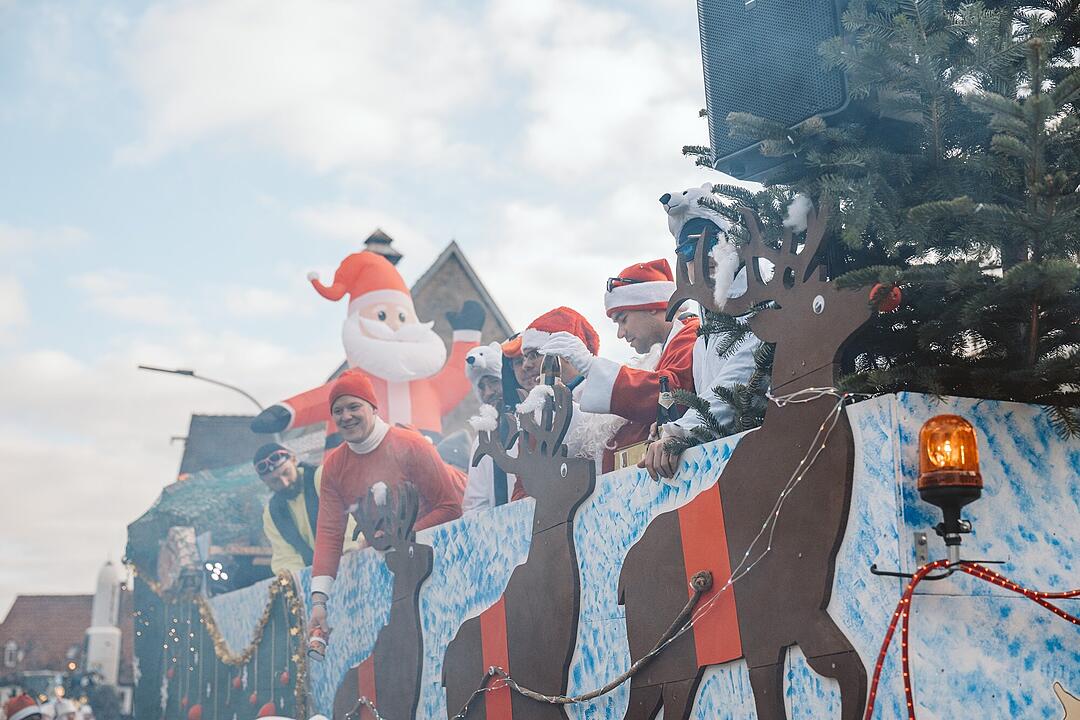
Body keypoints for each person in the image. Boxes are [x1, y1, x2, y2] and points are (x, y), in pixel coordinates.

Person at [308, 369, 464, 638]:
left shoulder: (411, 445)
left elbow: (450, 508)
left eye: (354, 406)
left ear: (373, 407)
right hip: (396, 566)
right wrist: (319, 601)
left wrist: (399, 539)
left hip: (442, 552)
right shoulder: (333, 467)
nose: (346, 416)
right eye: (338, 410)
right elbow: (329, 534)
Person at [638, 189, 762, 480]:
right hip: (731, 470)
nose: (703, 255)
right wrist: (670, 428)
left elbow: (736, 385)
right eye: (688, 251)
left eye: (714, 241)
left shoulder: (761, 304)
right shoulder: (704, 336)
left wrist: (680, 432)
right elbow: (710, 398)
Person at [538, 259, 699, 472]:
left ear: (651, 306)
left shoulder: (690, 333)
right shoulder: (665, 348)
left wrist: (591, 367)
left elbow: (672, 394)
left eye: (623, 320)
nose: (621, 333)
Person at [254, 443, 357, 574]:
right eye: (275, 481)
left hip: (356, 556)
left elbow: (347, 519)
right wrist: (297, 577)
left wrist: (348, 554)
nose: (285, 483)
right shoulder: (271, 514)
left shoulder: (322, 477)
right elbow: (286, 557)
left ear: (293, 460)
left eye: (286, 473)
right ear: (265, 482)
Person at [461, 342, 516, 513]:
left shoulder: (531, 423)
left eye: (493, 382)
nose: (488, 393)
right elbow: (475, 503)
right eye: (481, 387)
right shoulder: (482, 441)